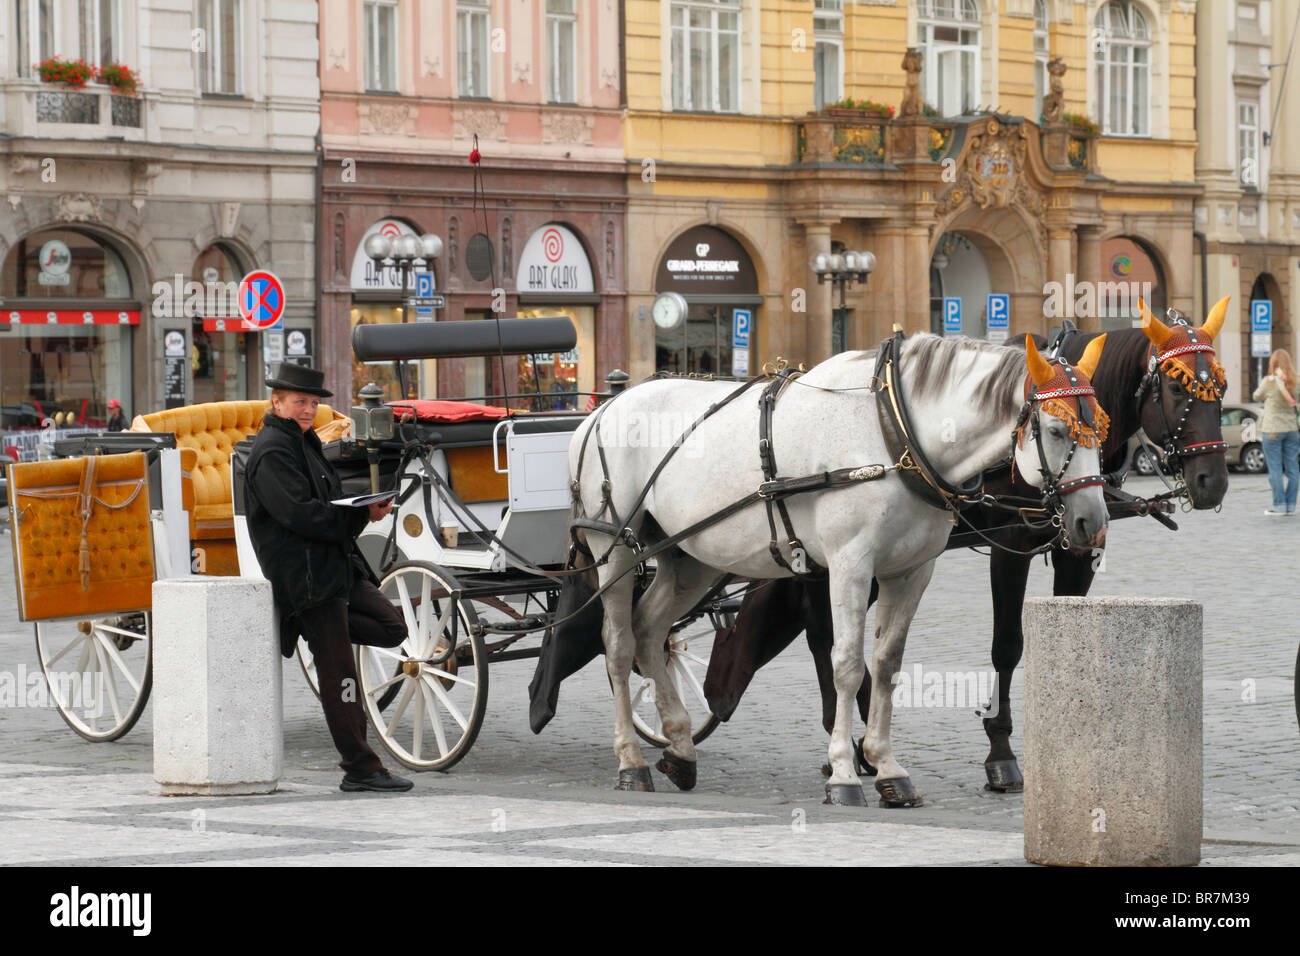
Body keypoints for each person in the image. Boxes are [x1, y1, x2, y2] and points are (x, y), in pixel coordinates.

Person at [244, 362, 415, 792]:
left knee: (393, 626)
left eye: (313, 402)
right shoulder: (272, 451)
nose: (308, 409)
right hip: (306, 577)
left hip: (336, 567)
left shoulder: (305, 442)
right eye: (300, 401)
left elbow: (329, 503)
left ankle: (312, 630)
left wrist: (362, 508)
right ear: (277, 402)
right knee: (340, 676)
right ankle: (361, 768)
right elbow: (301, 515)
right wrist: (360, 514)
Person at [1252, 349, 1300, 516]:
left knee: (1275, 469)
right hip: (1292, 429)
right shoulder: (1297, 381)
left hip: (1272, 430)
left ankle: (1279, 506)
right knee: (1293, 468)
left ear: (1273, 363)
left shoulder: (1269, 381)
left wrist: (1267, 383)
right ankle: (1291, 506)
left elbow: (1256, 396)